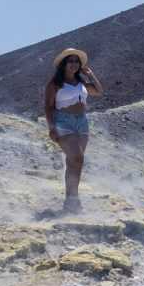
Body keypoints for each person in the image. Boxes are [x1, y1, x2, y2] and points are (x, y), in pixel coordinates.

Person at [44, 48, 104, 212]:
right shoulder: (55, 83)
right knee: (76, 158)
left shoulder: (82, 83)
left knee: (75, 162)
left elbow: (98, 91)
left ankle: (72, 201)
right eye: (70, 61)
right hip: (63, 122)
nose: (74, 64)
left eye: (76, 61)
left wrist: (90, 74)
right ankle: (72, 200)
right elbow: (48, 107)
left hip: (82, 123)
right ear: (63, 64)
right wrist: (51, 128)